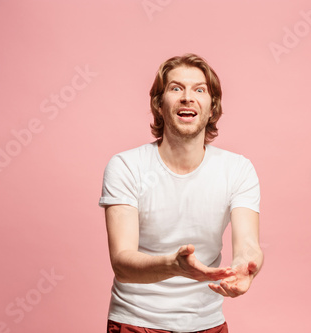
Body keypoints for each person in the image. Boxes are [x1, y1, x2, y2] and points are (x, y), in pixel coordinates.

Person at [99, 53, 263, 333]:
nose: (188, 97)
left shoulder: (238, 169)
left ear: (212, 108)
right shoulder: (126, 166)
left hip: (206, 324)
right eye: (176, 88)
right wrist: (173, 266)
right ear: (159, 105)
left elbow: (248, 243)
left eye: (199, 90)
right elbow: (122, 263)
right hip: (136, 322)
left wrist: (244, 268)